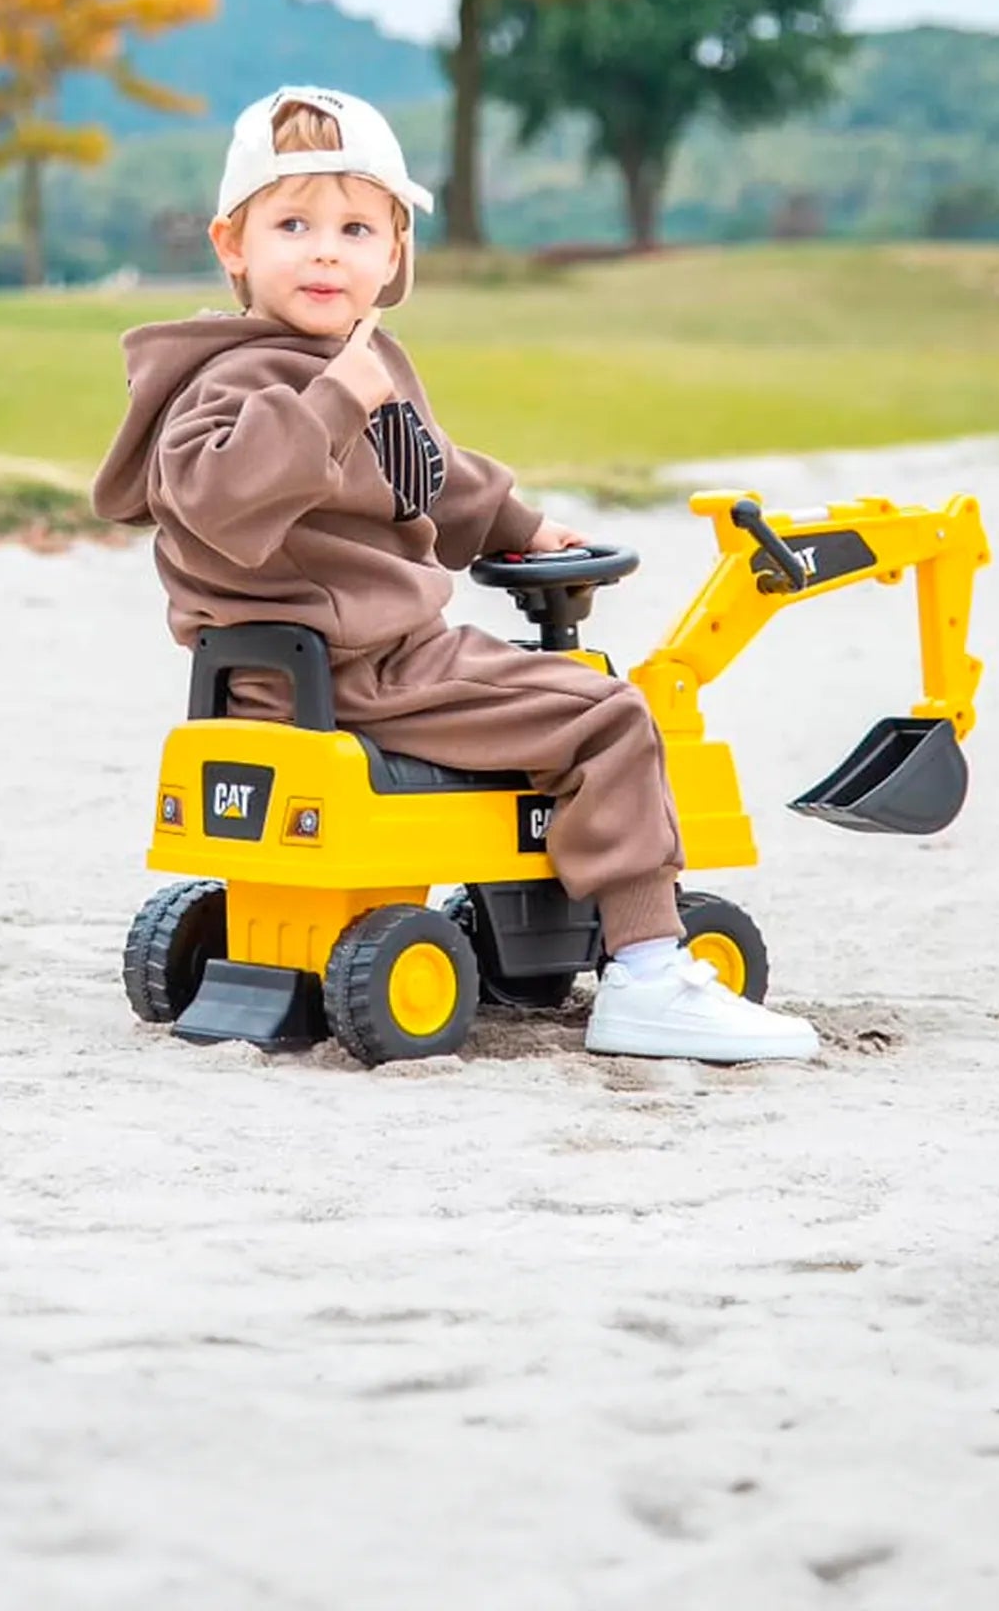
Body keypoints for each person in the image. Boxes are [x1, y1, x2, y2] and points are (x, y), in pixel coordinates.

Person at [91, 86, 818, 1062]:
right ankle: (648, 971)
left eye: (356, 227)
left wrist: (518, 523)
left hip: (348, 660)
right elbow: (215, 495)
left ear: (394, 255)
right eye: (293, 223)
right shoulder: (234, 380)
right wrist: (335, 401)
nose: (324, 250)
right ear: (233, 245)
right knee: (607, 714)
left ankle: (556, 927)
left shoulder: (361, 359)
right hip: (365, 670)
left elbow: (428, 477)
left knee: (546, 689)